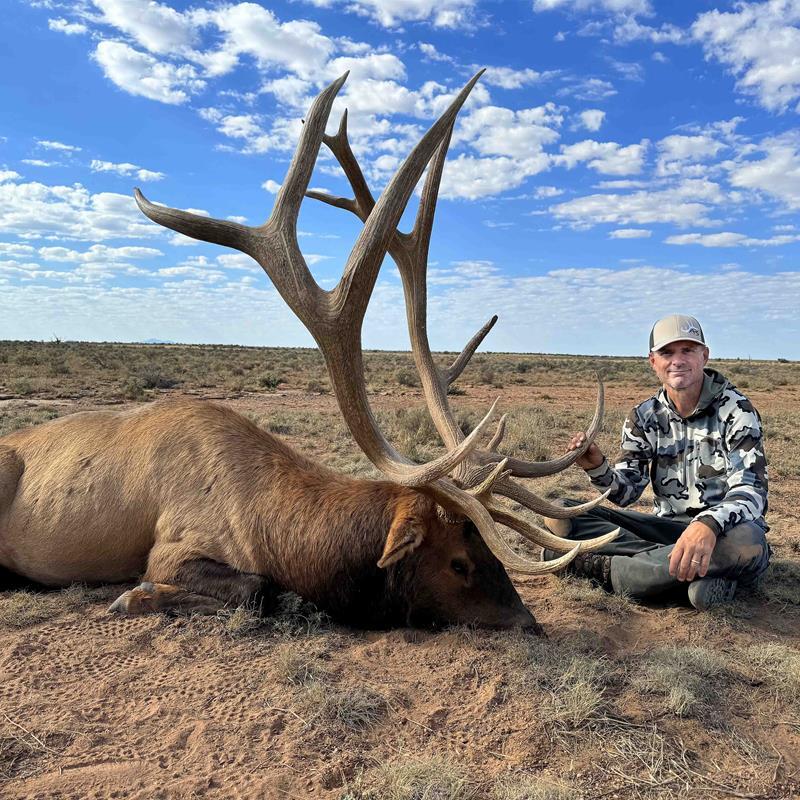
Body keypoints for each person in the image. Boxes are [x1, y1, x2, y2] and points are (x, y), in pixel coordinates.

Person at [543, 313, 770, 610]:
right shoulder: (643, 416)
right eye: (667, 352)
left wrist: (709, 524)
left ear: (704, 356)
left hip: (724, 531)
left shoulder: (738, 410)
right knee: (563, 511)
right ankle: (686, 576)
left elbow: (752, 492)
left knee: (745, 542)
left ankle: (608, 570)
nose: (677, 360)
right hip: (666, 530)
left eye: (687, 350)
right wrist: (596, 466)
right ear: (653, 361)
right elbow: (626, 493)